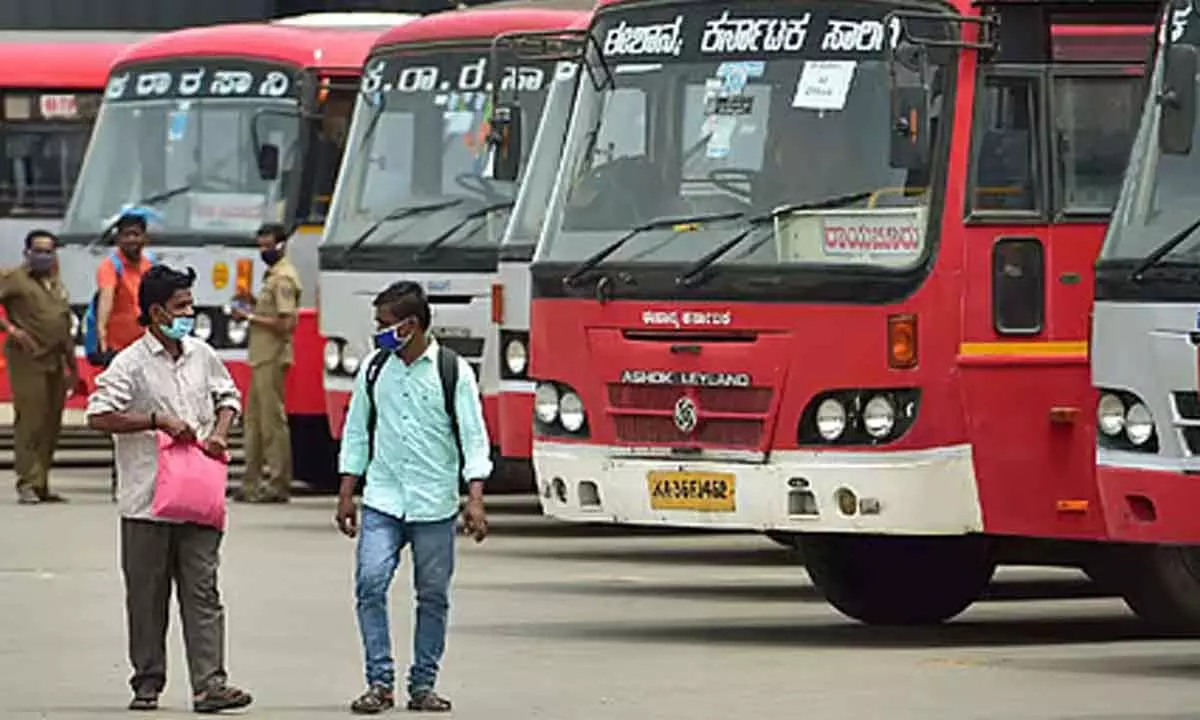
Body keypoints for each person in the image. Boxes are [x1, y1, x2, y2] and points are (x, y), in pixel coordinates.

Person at [86, 264, 253, 714]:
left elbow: (229, 396)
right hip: (146, 502)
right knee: (147, 598)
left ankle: (210, 685)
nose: (190, 313)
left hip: (199, 499)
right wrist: (155, 420)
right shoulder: (131, 363)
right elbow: (98, 414)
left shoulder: (202, 354)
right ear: (157, 311)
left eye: (191, 304)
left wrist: (220, 432)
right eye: (182, 306)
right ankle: (147, 683)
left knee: (204, 592)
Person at [335, 281, 491, 715]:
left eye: (385, 325)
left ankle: (423, 685)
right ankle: (379, 683)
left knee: (433, 595)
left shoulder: (452, 371)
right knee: (369, 584)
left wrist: (474, 498)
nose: (378, 333)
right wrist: (347, 493)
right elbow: (356, 432)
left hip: (434, 504)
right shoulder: (373, 368)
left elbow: (474, 439)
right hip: (383, 499)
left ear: (411, 325)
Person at [0, 229, 78, 504]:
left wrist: (73, 367)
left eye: (49, 251)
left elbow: (63, 325)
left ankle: (41, 481)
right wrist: (11, 329)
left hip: (55, 359)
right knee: (30, 420)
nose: (44, 256)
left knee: (51, 422)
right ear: (27, 253)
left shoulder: (56, 283)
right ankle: (27, 482)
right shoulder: (14, 279)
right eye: (38, 251)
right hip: (27, 359)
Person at [232, 222, 301, 503]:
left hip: (272, 356)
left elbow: (286, 323)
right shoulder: (271, 276)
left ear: (282, 244)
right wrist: (251, 302)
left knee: (272, 423)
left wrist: (248, 318)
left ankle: (277, 482)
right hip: (261, 356)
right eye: (260, 245)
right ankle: (251, 482)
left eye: (268, 245)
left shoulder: (283, 278)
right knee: (253, 422)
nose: (264, 250)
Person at [96, 211, 156, 500]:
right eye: (126, 234)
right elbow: (106, 299)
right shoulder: (111, 266)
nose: (132, 240)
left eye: (136, 234)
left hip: (148, 349)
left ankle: (144, 479)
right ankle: (120, 479)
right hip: (120, 352)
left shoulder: (150, 265)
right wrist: (103, 336)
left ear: (145, 238)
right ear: (118, 238)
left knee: (147, 412)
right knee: (120, 417)